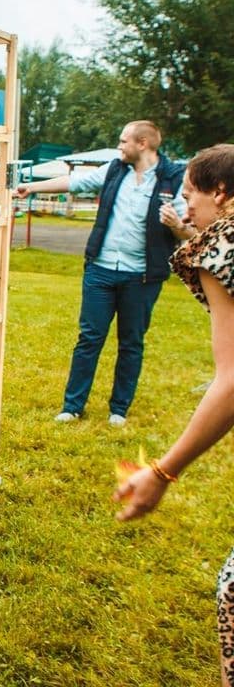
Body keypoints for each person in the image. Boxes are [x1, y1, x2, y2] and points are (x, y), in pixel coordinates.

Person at [113, 143, 234, 687]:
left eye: (190, 196)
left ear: (222, 194)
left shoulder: (221, 245)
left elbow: (233, 379)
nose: (186, 209)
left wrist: (161, 472)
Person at [15, 121, 193, 425]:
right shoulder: (114, 170)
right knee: (89, 338)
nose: (119, 147)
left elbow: (190, 231)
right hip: (100, 270)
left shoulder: (173, 179)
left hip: (143, 277)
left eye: (124, 141)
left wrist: (176, 225)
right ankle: (72, 406)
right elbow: (75, 183)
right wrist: (30, 187)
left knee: (131, 342)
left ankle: (118, 410)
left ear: (143, 144)